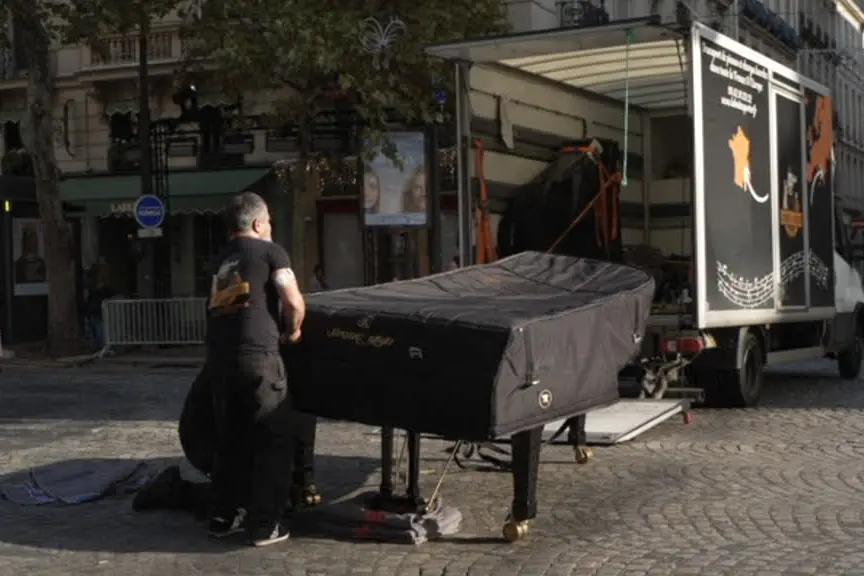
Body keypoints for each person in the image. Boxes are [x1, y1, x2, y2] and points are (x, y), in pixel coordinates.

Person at [206, 191, 305, 547]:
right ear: (259, 223)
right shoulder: (270, 251)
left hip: (220, 359)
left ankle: (222, 516)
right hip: (259, 356)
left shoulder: (221, 259)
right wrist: (292, 330)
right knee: (273, 439)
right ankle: (265, 525)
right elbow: (292, 300)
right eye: (270, 223)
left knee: (229, 440)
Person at [85, 269, 112, 350]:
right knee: (98, 329)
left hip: (95, 311)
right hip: (97, 311)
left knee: (97, 329)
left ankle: (98, 345)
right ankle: (99, 346)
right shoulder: (99, 291)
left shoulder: (93, 291)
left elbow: (89, 301)